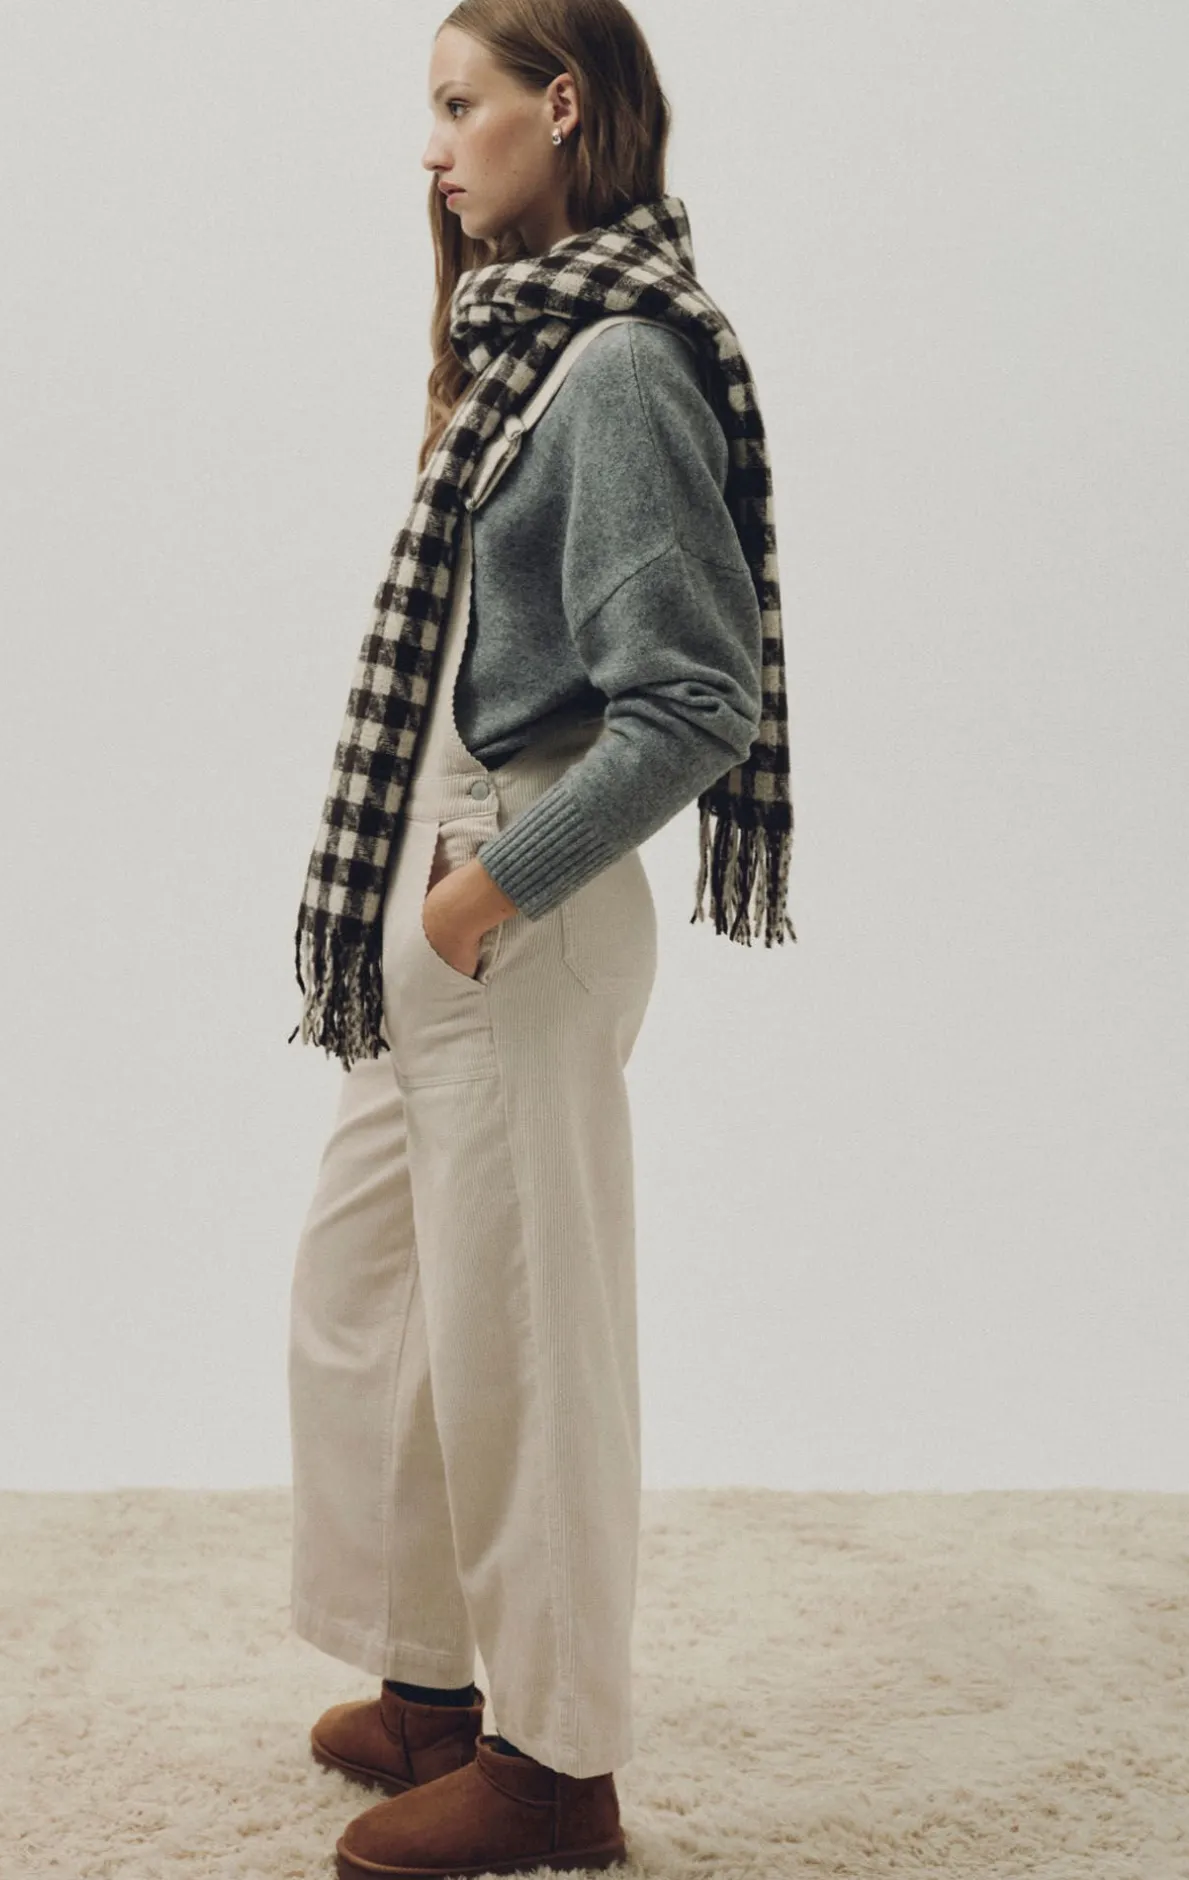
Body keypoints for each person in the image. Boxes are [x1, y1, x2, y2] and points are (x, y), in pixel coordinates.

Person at [287, 4, 792, 1874]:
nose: (430, 146)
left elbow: (697, 702)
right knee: (381, 1308)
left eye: (459, 103)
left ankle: (557, 1765)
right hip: (440, 915)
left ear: (561, 107)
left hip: (521, 905)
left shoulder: (625, 366)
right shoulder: (526, 349)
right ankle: (434, 1687)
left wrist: (486, 893)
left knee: (526, 1344)